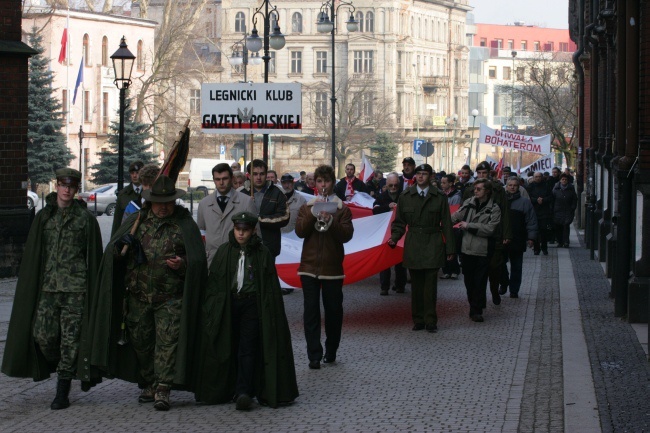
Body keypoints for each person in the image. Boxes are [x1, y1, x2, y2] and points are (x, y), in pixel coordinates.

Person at [83, 175, 207, 411]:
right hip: (138, 298)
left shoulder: (183, 224)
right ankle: (149, 381)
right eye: (158, 202)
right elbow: (115, 256)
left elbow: (198, 260)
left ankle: (163, 388)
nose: (162, 207)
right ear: (151, 201)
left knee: (167, 344)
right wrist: (121, 247)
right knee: (142, 344)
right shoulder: (137, 220)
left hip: (170, 299)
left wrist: (183, 263)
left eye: (167, 202)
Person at [2, 168, 103, 410]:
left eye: (72, 185)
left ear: (76, 188)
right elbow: (35, 254)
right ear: (56, 186)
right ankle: (62, 365)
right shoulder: (44, 217)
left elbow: (94, 256)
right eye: (63, 184)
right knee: (43, 336)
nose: (67, 189)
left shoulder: (85, 220)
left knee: (70, 340)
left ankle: (63, 388)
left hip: (75, 290)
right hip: (48, 288)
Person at [194, 212, 299, 410]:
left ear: (253, 231)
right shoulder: (225, 251)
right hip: (229, 303)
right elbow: (215, 283)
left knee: (247, 348)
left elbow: (269, 285)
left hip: (251, 304)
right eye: (238, 230)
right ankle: (227, 387)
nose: (241, 234)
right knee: (227, 344)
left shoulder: (262, 253)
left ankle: (244, 391)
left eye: (245, 230)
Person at [295, 165, 354, 369]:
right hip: (309, 267)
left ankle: (331, 350)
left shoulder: (342, 209)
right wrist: (314, 212)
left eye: (326, 181)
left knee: (333, 312)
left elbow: (347, 235)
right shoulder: (306, 207)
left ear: (332, 183)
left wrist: (332, 221)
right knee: (310, 312)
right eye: (319, 181)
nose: (322, 185)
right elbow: (300, 232)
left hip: (332, 268)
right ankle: (314, 355)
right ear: (315, 184)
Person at [389, 164, 456, 333]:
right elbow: (399, 222)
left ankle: (431, 320)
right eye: (418, 173)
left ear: (430, 176)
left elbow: (447, 224)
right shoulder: (406, 196)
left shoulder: (439, 197)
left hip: (433, 242)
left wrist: (450, 248)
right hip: (414, 244)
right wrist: (394, 238)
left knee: (430, 285)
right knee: (416, 285)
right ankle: (418, 319)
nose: (420, 177)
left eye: (424, 174)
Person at [452, 178, 501, 322]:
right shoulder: (469, 203)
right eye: (475, 189)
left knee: (480, 281)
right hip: (466, 249)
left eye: (479, 189)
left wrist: (470, 226)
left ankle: (476, 310)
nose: (476, 191)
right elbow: (456, 216)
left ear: (487, 191)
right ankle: (474, 304)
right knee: (469, 281)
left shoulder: (494, 208)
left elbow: (491, 229)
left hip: (482, 250)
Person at [463, 161, 511, 306]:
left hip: (494, 235)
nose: (482, 176)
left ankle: (494, 290)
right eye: (479, 173)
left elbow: (505, 213)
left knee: (494, 268)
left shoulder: (497, 189)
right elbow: (463, 211)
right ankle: (479, 301)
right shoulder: (469, 190)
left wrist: (506, 234)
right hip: (474, 236)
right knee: (477, 273)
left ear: (489, 174)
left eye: (484, 173)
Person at [198, 163, 257, 267]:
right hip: (212, 261)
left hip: (239, 261)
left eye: (225, 178)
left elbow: (256, 233)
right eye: (217, 179)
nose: (221, 183)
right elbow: (201, 233)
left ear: (232, 178)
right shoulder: (204, 204)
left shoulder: (246, 202)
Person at [244, 159, 290, 259]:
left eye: (262, 174)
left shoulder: (277, 192)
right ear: (249, 175)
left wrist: (261, 219)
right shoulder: (242, 193)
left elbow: (284, 216)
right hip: (246, 246)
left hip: (269, 247)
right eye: (255, 174)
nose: (258, 177)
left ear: (266, 174)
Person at [500, 177, 538, 298]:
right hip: (501, 238)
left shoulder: (524, 202)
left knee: (517, 266)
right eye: (510, 185)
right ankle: (504, 282)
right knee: (500, 264)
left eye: (514, 185)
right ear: (506, 186)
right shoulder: (500, 201)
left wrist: (531, 238)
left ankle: (514, 289)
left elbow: (531, 221)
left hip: (518, 238)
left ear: (518, 187)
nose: (512, 187)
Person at [373, 173, 407, 295]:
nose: (393, 187)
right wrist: (387, 207)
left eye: (396, 185)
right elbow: (374, 210)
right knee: (384, 261)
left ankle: (400, 285)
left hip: (401, 232)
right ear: (386, 185)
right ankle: (384, 286)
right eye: (391, 185)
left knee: (400, 260)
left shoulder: (404, 196)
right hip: (385, 233)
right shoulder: (381, 196)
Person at [111, 160, 144, 236]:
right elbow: (117, 221)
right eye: (132, 173)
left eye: (137, 173)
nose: (134, 176)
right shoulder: (123, 194)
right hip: (127, 236)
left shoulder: (148, 193)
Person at [440, 173, 462, 279]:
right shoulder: (441, 194)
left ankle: (455, 270)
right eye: (441, 183)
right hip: (442, 224)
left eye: (444, 183)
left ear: (450, 183)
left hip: (453, 225)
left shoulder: (456, 196)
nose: (442, 185)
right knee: (443, 248)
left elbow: (455, 211)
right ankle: (446, 271)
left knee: (452, 248)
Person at [526, 171, 553, 255]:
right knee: (535, 231)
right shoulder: (530, 187)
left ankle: (544, 247)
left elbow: (551, 197)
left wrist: (543, 200)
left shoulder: (546, 186)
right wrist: (536, 200)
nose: (538, 178)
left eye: (539, 176)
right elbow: (528, 197)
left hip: (544, 211)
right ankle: (536, 248)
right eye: (536, 177)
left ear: (542, 177)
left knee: (543, 231)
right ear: (533, 178)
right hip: (534, 211)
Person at [552, 173, 578, 248]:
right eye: (562, 179)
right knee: (558, 227)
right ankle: (560, 241)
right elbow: (552, 199)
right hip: (558, 210)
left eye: (565, 179)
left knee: (566, 226)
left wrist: (573, 207)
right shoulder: (555, 189)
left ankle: (566, 242)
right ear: (560, 180)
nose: (564, 181)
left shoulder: (571, 188)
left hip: (568, 210)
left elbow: (574, 199)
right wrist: (552, 208)